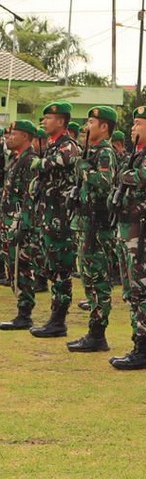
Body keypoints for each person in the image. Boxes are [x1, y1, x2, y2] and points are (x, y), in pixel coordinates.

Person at [110, 106, 146, 371]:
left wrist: (124, 175)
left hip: (144, 231)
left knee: (144, 290)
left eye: (138, 124)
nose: (133, 128)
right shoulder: (136, 154)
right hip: (127, 229)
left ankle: (144, 350)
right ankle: (136, 344)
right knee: (132, 289)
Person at [66, 107, 120, 352]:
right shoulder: (92, 152)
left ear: (104, 127)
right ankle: (93, 332)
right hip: (87, 224)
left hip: (99, 227)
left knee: (98, 280)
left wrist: (83, 167)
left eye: (91, 121)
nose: (86, 126)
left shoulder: (105, 152)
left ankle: (98, 335)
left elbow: (104, 183)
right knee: (88, 278)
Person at [29, 101, 81, 338]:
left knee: (61, 269)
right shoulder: (51, 146)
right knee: (52, 268)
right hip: (48, 216)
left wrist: (40, 163)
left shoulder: (68, 146)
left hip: (62, 218)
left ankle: (58, 321)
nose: (44, 122)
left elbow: (55, 163)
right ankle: (54, 317)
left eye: (49, 118)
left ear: (61, 121)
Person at [0, 120, 42, 330]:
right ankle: (21, 310)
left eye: (14, 134)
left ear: (25, 137)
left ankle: (25, 314)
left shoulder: (30, 161)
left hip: (21, 223)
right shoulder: (16, 159)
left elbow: (30, 195)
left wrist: (22, 224)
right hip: (9, 221)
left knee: (22, 266)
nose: (9, 138)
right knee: (12, 266)